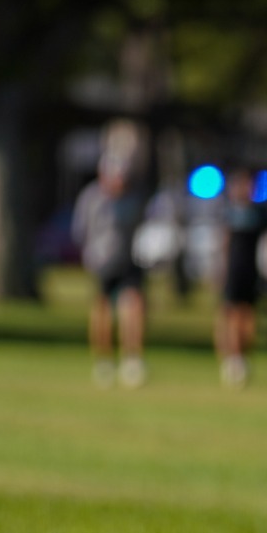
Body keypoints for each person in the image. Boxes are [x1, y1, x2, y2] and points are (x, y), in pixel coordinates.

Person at [72, 153, 149, 387]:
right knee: (103, 311)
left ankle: (131, 360)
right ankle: (103, 361)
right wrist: (92, 256)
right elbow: (80, 231)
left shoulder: (132, 200)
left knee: (133, 308)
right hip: (102, 262)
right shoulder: (91, 198)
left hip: (128, 261)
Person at [215, 169, 267, 387]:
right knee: (228, 314)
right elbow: (223, 242)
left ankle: (242, 357)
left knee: (246, 316)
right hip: (232, 271)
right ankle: (229, 357)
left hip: (251, 272)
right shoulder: (228, 211)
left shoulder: (261, 213)